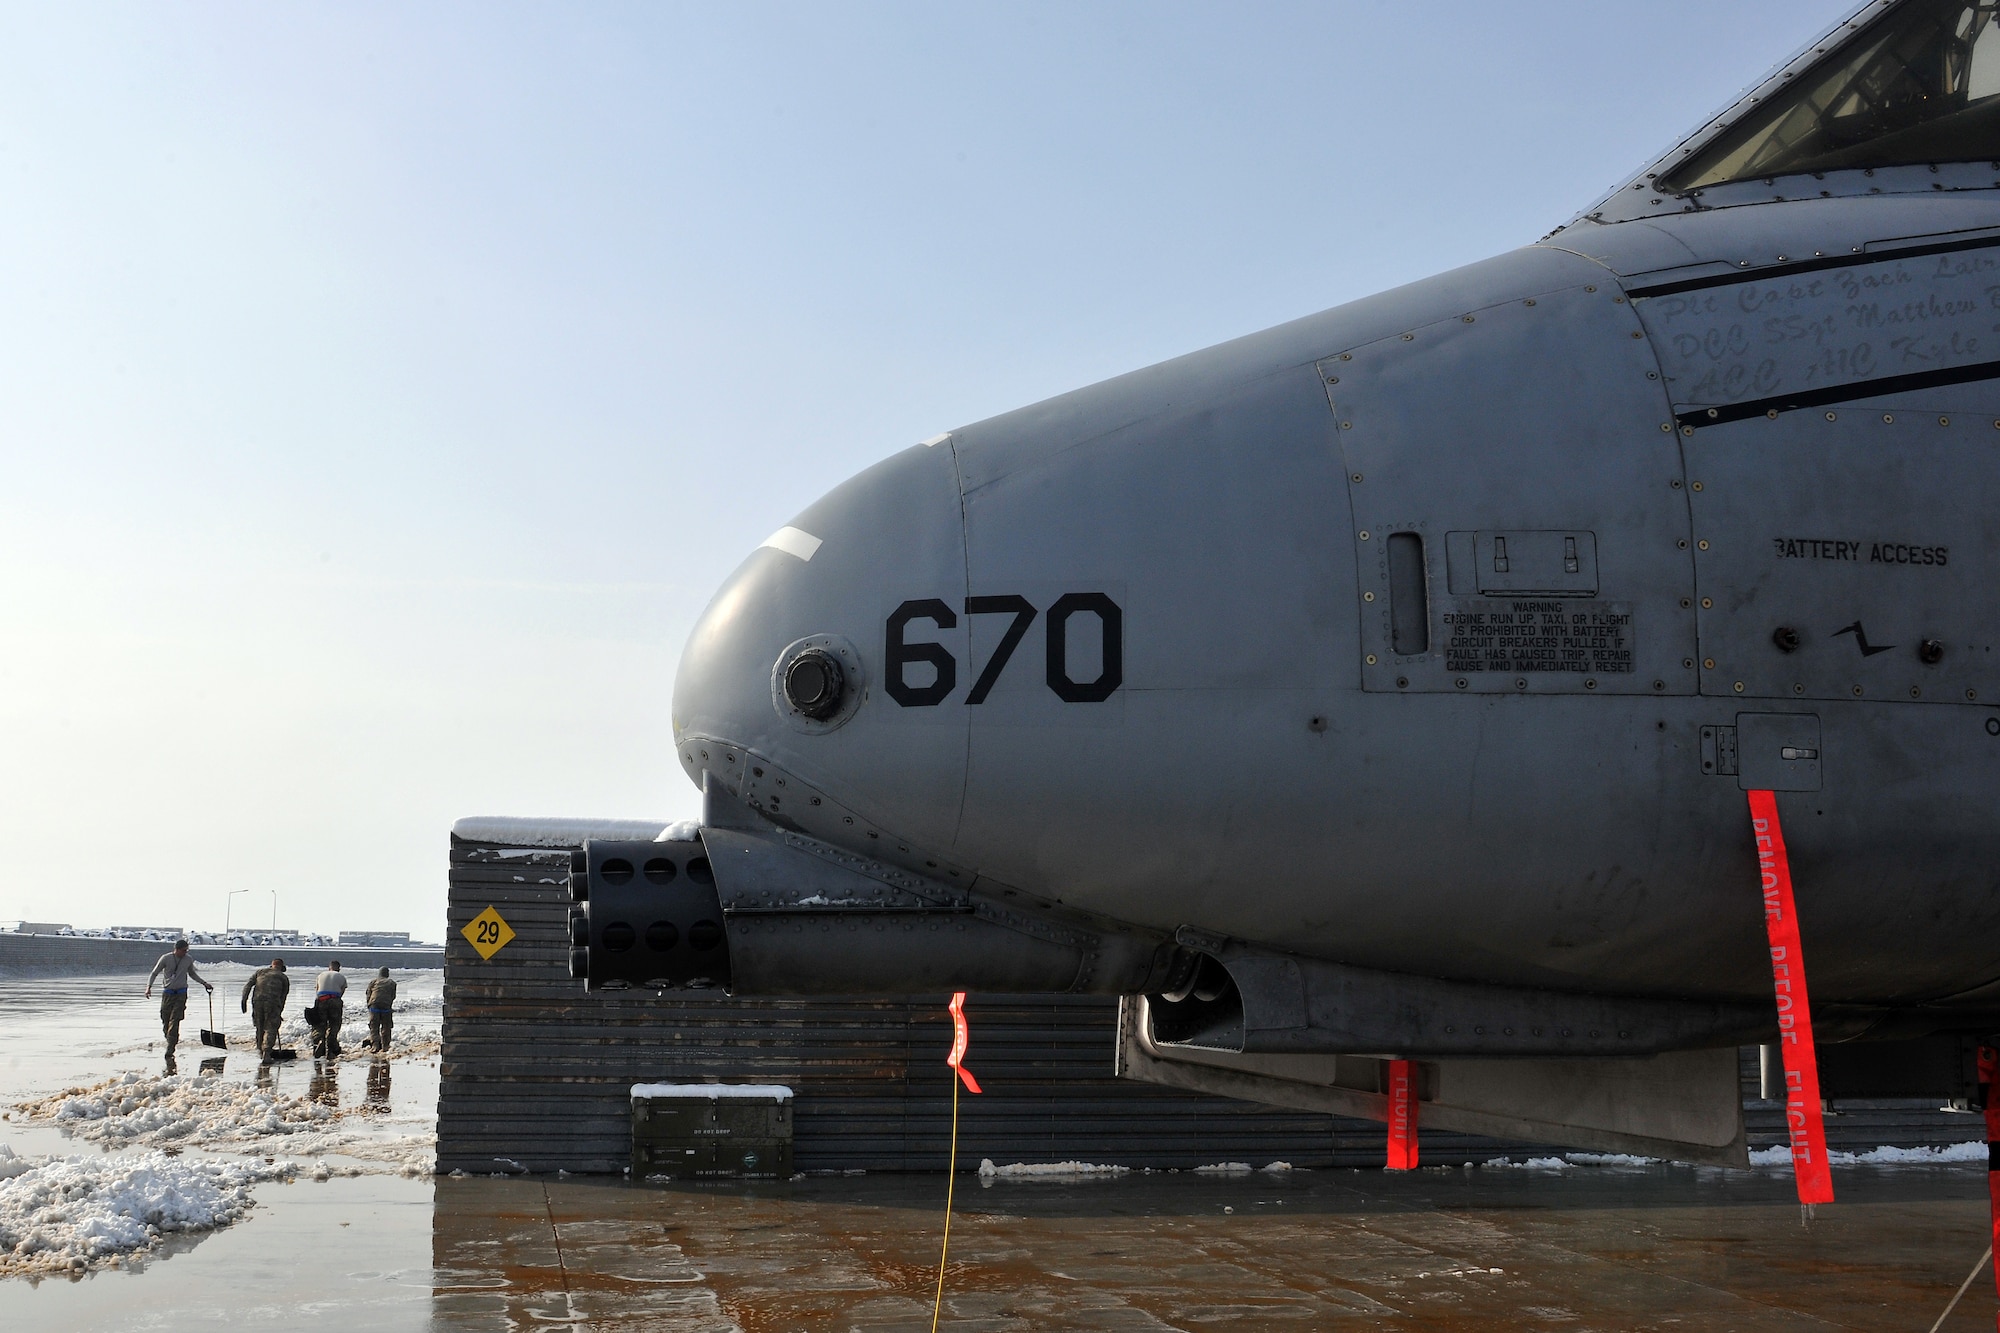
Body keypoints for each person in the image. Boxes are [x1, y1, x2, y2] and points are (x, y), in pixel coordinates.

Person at [143, 939, 213, 1057]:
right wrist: (148, 987)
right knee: (165, 1020)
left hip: (181, 993)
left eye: (187, 950)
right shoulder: (166, 958)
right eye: (183, 950)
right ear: (176, 949)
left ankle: (171, 1048)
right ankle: (171, 1039)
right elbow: (154, 973)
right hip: (168, 993)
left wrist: (204, 983)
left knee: (175, 1020)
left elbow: (192, 974)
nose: (185, 952)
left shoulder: (188, 959)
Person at [241, 958, 290, 1060]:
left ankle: (259, 1049)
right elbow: (283, 997)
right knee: (271, 1028)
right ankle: (266, 1053)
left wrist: (244, 1000)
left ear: (271, 965)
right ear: (282, 967)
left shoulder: (260, 972)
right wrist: (279, 1012)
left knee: (259, 1026)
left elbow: (248, 985)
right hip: (273, 1003)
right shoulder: (283, 978)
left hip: (257, 1001)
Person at [312, 959, 348, 1059]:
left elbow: (317, 989)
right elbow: (341, 992)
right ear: (339, 969)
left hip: (321, 999)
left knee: (320, 1024)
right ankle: (330, 1050)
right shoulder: (341, 976)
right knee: (334, 1025)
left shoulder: (321, 975)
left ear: (329, 968)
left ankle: (320, 1041)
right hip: (334, 999)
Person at [365, 967, 397, 1053]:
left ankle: (375, 1045)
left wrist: (369, 1005)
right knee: (386, 1026)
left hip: (374, 1006)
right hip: (386, 1007)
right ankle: (385, 1045)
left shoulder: (373, 982)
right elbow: (393, 996)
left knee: (374, 1026)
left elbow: (368, 994)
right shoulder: (392, 983)